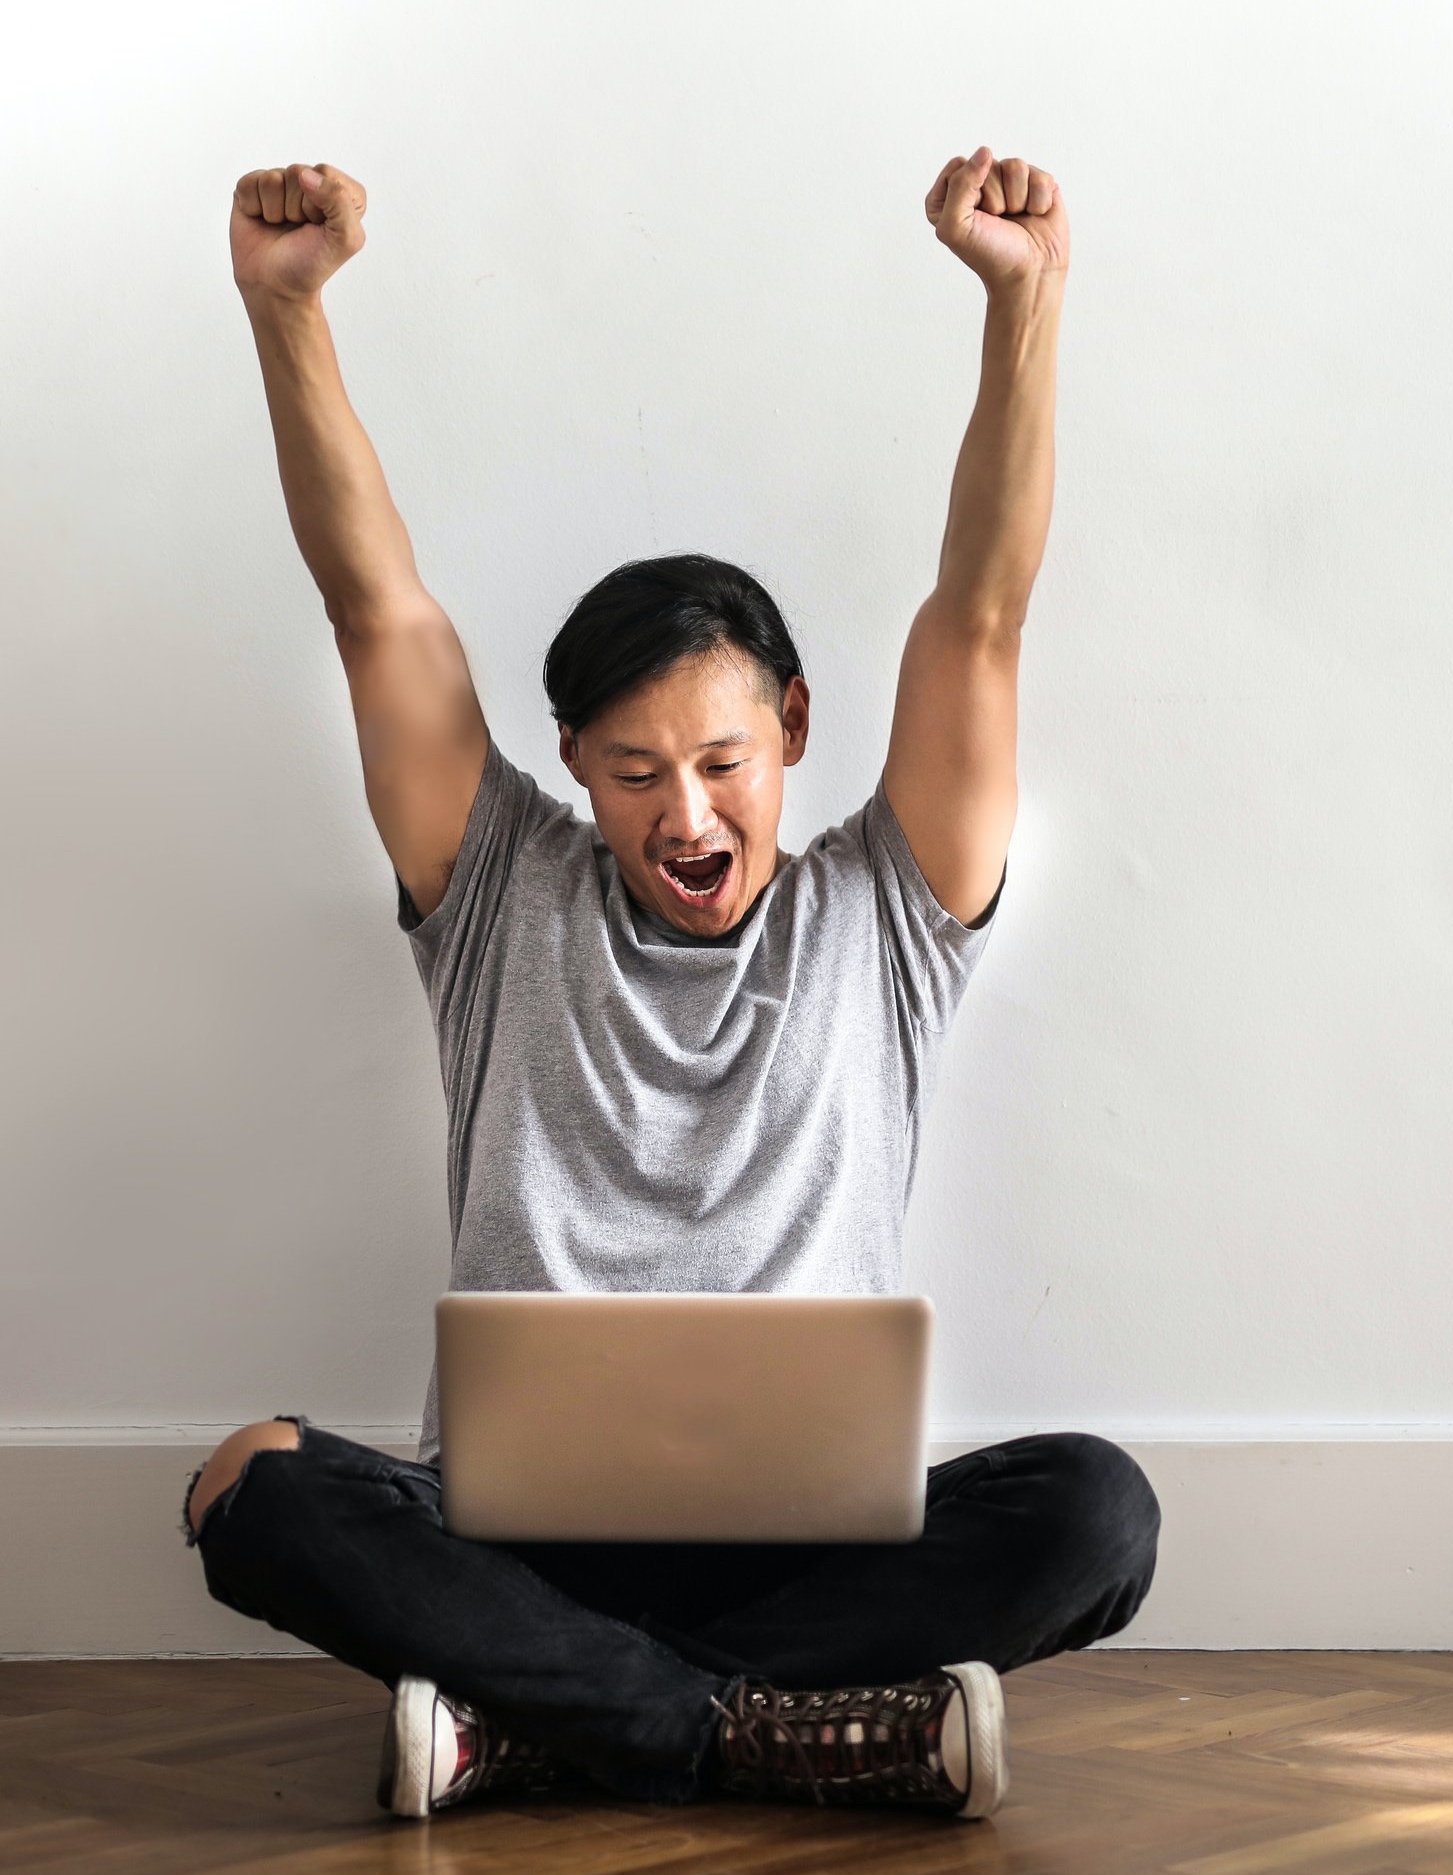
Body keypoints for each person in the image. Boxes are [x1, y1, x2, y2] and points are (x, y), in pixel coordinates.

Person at [183, 148, 1158, 1822]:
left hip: (806, 1549)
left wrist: (1027, 301)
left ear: (792, 725)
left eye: (720, 758)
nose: (685, 815)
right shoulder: (501, 892)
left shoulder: (885, 911)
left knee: (1096, 1513)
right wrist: (288, 314)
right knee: (248, 1487)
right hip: (511, 1539)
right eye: (633, 771)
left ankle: (544, 1723)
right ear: (567, 762)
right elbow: (376, 613)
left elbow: (982, 620)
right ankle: (771, 1733)